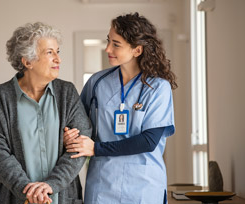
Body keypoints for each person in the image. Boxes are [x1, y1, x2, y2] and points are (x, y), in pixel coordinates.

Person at [64, 12, 177, 204]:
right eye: (109, 41)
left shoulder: (158, 87)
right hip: (102, 184)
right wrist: (71, 135)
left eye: (116, 44)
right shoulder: (97, 82)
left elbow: (148, 141)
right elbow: (78, 123)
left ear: (137, 50)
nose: (108, 48)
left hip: (144, 185)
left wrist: (96, 148)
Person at [0, 22, 92, 204]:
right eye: (50, 53)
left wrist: (51, 185)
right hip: (16, 198)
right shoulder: (1, 97)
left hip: (62, 198)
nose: (58, 59)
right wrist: (29, 191)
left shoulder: (67, 92)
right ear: (27, 61)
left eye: (58, 52)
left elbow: (80, 145)